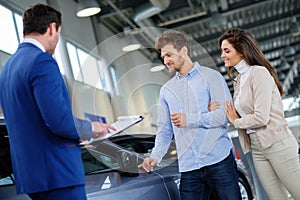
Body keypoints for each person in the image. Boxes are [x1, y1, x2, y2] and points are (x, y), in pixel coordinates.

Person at [0, 4, 115, 200]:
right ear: (52, 28)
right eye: (58, 33)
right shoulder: (41, 61)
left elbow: (32, 122)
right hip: (57, 173)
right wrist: (91, 128)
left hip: (32, 177)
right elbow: (59, 122)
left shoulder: (7, 69)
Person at [138, 29, 241, 200]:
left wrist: (190, 119)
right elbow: (164, 129)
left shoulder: (212, 77)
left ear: (184, 50)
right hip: (189, 167)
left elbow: (223, 117)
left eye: (169, 55)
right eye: (163, 57)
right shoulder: (167, 91)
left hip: (219, 161)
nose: (166, 61)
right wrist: (155, 156)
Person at [218, 27, 300, 200]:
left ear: (241, 51)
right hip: (256, 148)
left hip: (278, 143)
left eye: (227, 50)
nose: (222, 55)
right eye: (221, 51)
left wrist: (236, 121)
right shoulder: (239, 80)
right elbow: (241, 112)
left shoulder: (259, 73)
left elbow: (262, 117)